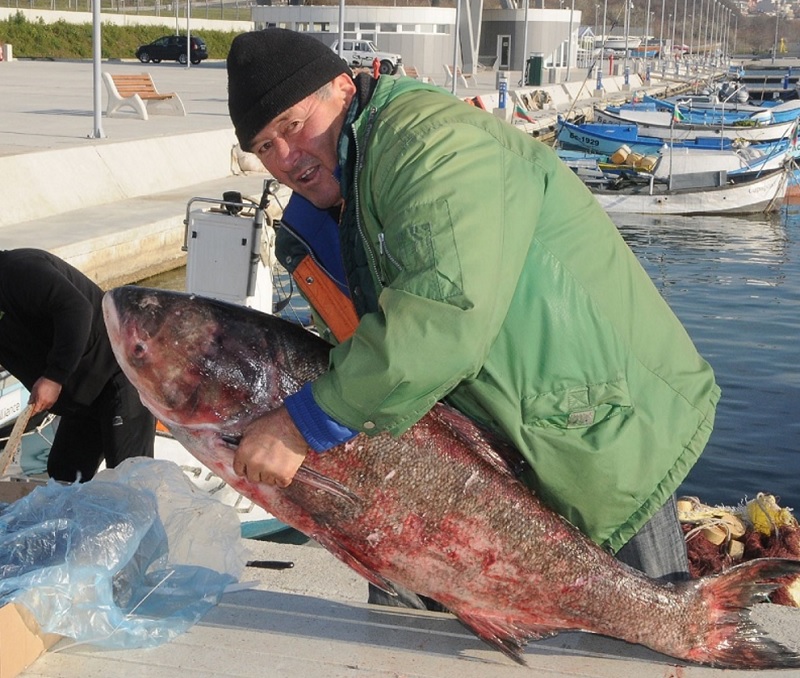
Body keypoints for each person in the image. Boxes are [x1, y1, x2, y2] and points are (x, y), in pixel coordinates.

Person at [225, 29, 720, 592]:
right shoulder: (345, 188)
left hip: (598, 430)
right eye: (264, 147)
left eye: (291, 126)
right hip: (499, 447)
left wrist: (300, 424)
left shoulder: (432, 144)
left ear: (343, 87)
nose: (285, 157)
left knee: (652, 634)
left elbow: (442, 316)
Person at [0, 248, 156, 482]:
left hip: (118, 375)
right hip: (80, 401)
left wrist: (54, 377)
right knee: (63, 475)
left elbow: (76, 309)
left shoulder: (19, 269)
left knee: (129, 481)